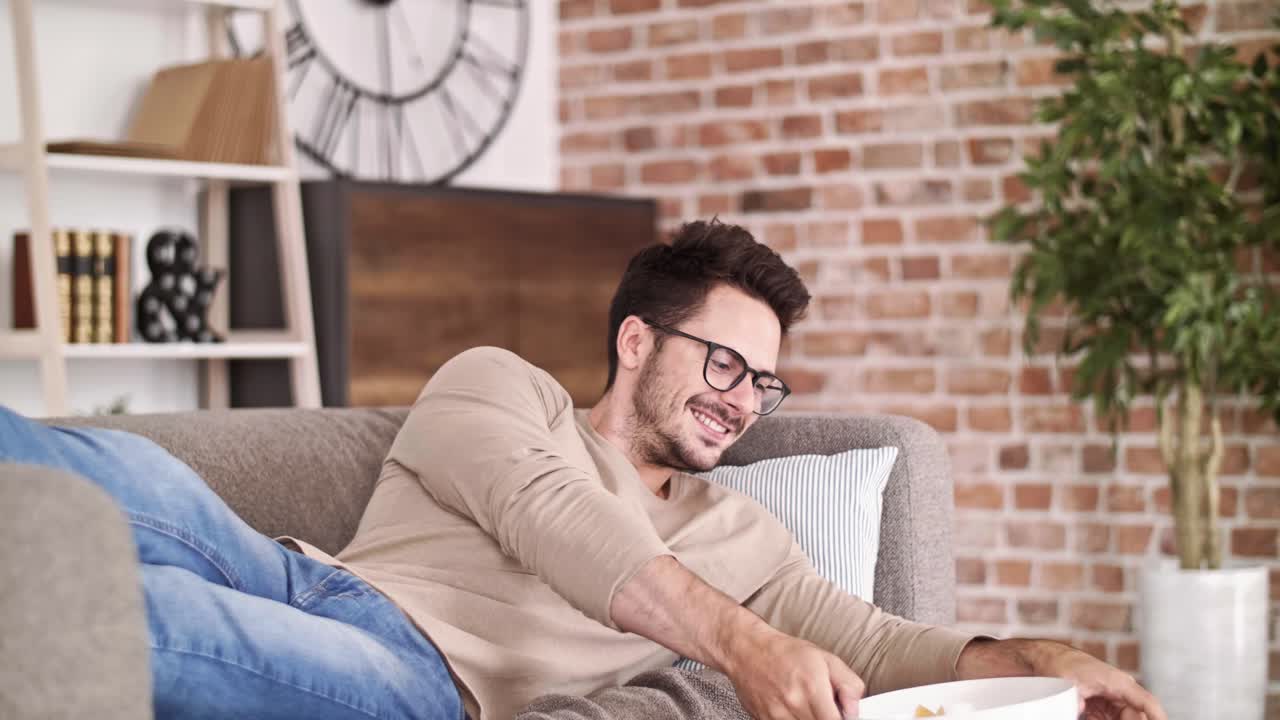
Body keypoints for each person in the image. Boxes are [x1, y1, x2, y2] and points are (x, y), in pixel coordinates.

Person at [0, 219, 1166, 720]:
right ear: (634, 341)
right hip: (300, 572)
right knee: (76, 466)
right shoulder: (497, 385)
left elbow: (886, 642)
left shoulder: (744, 538)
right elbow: (551, 516)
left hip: (413, 682)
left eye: (763, 382)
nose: (742, 399)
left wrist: (1046, 662)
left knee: (113, 614)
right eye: (722, 361)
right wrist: (739, 643)